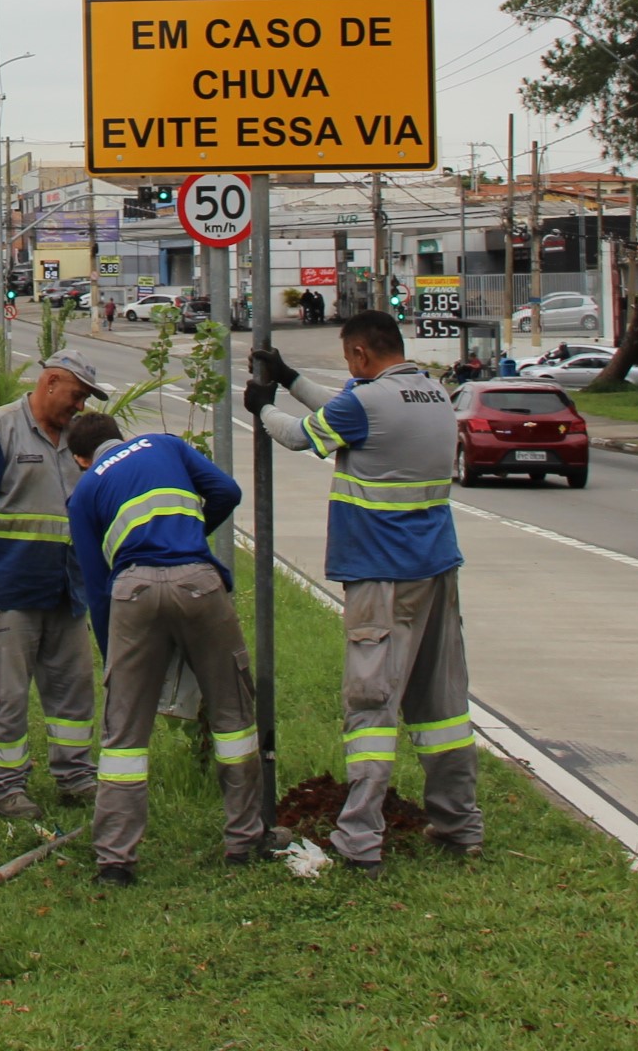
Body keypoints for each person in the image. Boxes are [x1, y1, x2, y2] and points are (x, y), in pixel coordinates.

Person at [246, 310, 482, 875]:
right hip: (435, 570)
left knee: (372, 703)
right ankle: (459, 825)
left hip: (382, 574)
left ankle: (359, 840)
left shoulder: (366, 404)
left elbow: (303, 435)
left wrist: (262, 406)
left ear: (358, 355)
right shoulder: (431, 393)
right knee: (441, 706)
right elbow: (345, 407)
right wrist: (291, 376)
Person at [63, 412, 263, 885]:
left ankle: (115, 861)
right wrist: (190, 531)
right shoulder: (165, 445)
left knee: (125, 737)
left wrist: (115, 655)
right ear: (120, 437)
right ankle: (244, 842)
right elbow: (227, 493)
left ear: (79, 458)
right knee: (233, 719)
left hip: (131, 591)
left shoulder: (86, 490)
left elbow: (96, 584)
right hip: (199, 581)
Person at [0, 351, 104, 818]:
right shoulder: (0, 429)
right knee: (5, 696)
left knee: (73, 692)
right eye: (77, 395)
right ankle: (5, 787)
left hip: (67, 591)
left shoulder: (78, 440)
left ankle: (75, 777)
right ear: (50, 382)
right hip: (8, 591)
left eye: (87, 399)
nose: (80, 406)